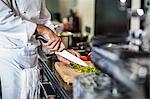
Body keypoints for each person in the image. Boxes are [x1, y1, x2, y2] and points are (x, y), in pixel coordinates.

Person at [0, 0, 80, 99]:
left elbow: (43, 19)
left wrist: (60, 50)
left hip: (32, 57)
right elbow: (2, 19)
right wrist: (41, 30)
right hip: (12, 58)